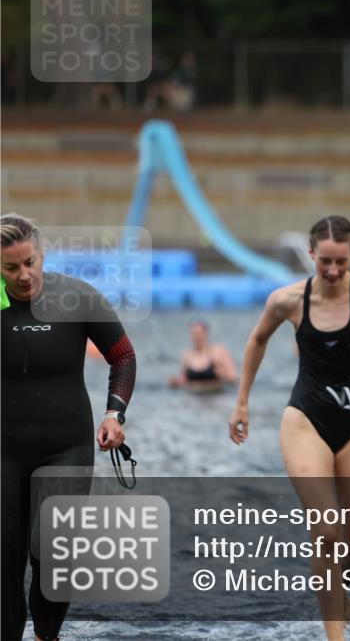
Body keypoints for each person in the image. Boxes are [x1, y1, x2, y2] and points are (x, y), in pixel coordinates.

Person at [227, 215, 350, 641]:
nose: (334, 271)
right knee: (325, 531)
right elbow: (257, 339)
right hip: (305, 418)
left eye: (341, 261)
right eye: (325, 262)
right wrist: (243, 401)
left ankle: (339, 589)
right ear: (311, 255)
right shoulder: (288, 300)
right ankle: (334, 633)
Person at [1, 213, 137, 641]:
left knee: (55, 554)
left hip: (66, 446)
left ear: (42, 255)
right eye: (11, 268)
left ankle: (46, 636)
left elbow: (123, 357)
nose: (24, 275)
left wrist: (114, 413)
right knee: (5, 559)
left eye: (30, 262)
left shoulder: (77, 297)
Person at [168, 320, 237, 393]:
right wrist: (175, 382)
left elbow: (233, 378)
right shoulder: (187, 355)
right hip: (193, 396)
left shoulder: (218, 352)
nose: (197, 337)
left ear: (206, 333)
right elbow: (184, 380)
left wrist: (222, 374)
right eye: (194, 334)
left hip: (214, 396)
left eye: (199, 333)